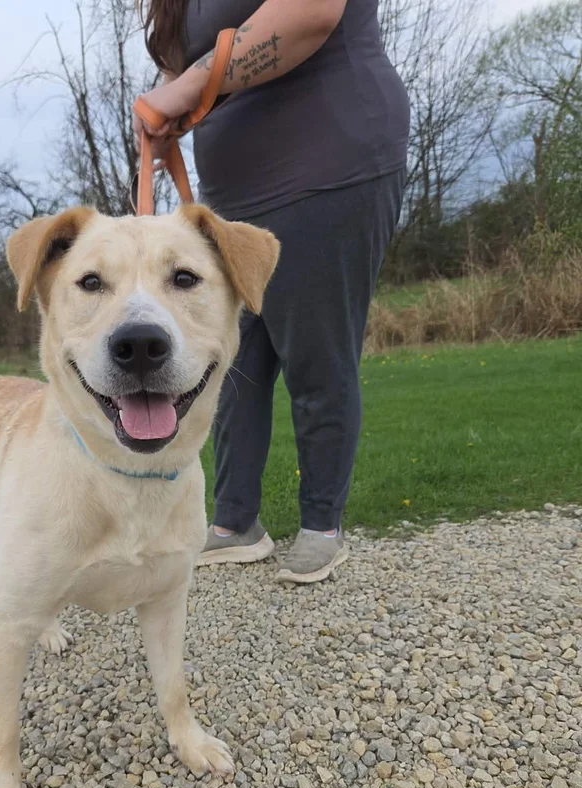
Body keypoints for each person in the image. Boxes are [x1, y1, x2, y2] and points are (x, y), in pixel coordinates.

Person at [134, 0, 409, 582]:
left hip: (326, 163)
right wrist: (167, 112)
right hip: (234, 196)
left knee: (317, 352)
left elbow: (310, 13)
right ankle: (237, 522)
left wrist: (185, 89)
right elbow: (184, 65)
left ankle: (321, 526)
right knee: (233, 364)